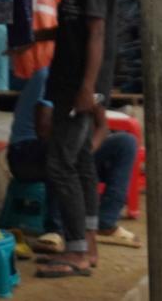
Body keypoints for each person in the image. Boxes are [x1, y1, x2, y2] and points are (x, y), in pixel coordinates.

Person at [35, 0, 117, 278]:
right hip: (72, 82)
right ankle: (89, 247)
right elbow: (77, 30)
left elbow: (97, 33)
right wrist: (34, 38)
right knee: (81, 161)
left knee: (61, 164)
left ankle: (76, 250)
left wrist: (87, 88)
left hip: (79, 86)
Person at [7, 68, 142, 255]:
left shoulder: (89, 81)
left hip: (71, 148)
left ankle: (105, 221)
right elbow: (44, 131)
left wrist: (87, 153)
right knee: (62, 149)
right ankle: (55, 229)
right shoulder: (50, 76)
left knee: (126, 143)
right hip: (26, 153)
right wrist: (80, 152)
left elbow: (101, 127)